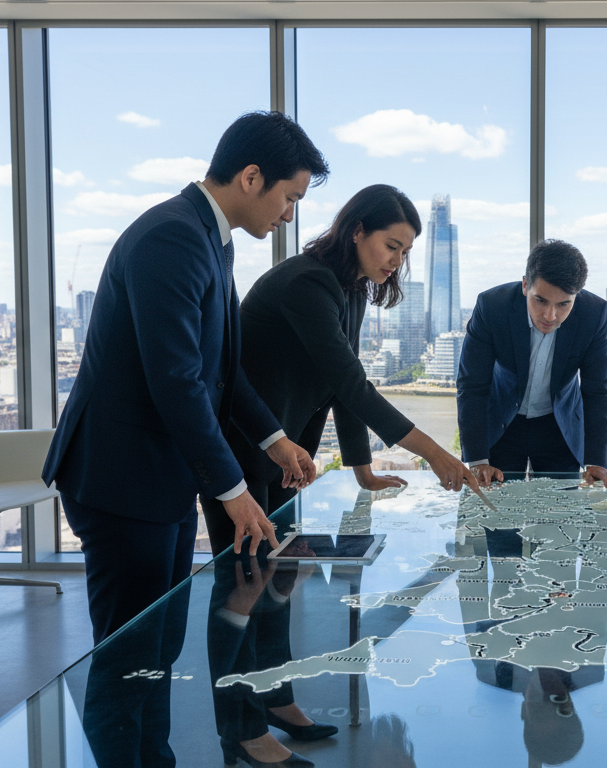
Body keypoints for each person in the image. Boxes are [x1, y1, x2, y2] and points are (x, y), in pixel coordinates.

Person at [41, 111, 325, 768]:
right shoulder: (171, 239)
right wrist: (233, 493)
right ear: (251, 177)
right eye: (289, 197)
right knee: (127, 658)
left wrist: (277, 442)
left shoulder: (210, 239)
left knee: (159, 650)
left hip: (159, 479)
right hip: (120, 481)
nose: (289, 214)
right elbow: (178, 383)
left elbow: (220, 373)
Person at [198, 183, 484, 766]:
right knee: (241, 590)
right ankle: (241, 732)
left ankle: (276, 698)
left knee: (279, 577)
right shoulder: (309, 283)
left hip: (285, 455)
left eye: (405, 251)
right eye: (391, 244)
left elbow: (339, 386)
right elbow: (354, 384)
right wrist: (433, 452)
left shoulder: (350, 290)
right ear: (357, 230)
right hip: (243, 446)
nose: (396, 259)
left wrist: (361, 468)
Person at [456, 240, 607, 488]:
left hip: (559, 427)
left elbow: (598, 391)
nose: (550, 316)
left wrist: (597, 462)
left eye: (564, 304)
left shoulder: (593, 313)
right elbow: (472, 385)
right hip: (502, 423)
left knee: (558, 521)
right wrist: (478, 458)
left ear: (577, 295)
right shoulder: (492, 306)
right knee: (496, 520)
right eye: (541, 300)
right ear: (525, 285)